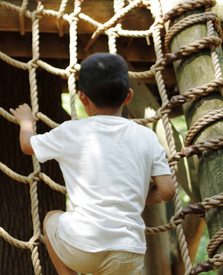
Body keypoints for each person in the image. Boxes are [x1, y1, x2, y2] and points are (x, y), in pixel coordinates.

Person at [10, 53, 175, 275]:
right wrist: (134, 197)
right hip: (128, 252)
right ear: (128, 96)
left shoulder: (71, 131)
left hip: (81, 248)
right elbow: (166, 190)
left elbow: (28, 145)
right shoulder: (146, 136)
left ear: (82, 97)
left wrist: (26, 122)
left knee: (51, 218)